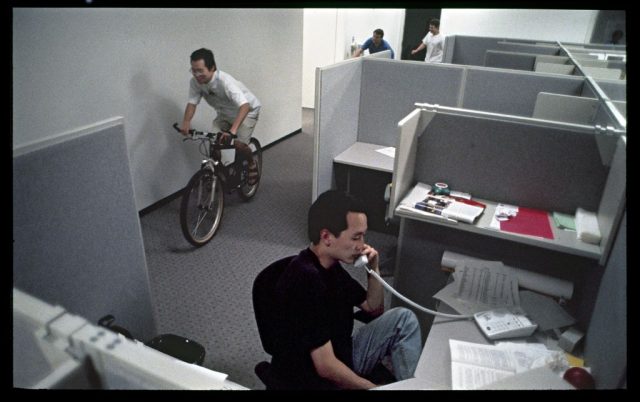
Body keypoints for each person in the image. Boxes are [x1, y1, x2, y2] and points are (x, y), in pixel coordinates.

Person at [272, 190, 422, 389]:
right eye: (356, 237)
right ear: (326, 236)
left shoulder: (331, 265)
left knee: (404, 318)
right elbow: (325, 366)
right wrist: (373, 388)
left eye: (363, 237)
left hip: (342, 349)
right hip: (313, 374)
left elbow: (373, 309)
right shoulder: (306, 280)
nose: (362, 246)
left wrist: (373, 270)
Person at [180, 48, 261, 185]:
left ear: (212, 68)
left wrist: (232, 131)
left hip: (247, 111)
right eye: (194, 70)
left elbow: (245, 106)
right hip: (224, 114)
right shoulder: (195, 83)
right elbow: (192, 103)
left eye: (200, 70)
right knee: (213, 142)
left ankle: (252, 163)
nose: (197, 74)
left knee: (239, 144)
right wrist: (186, 122)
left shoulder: (225, 81)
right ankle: (217, 173)